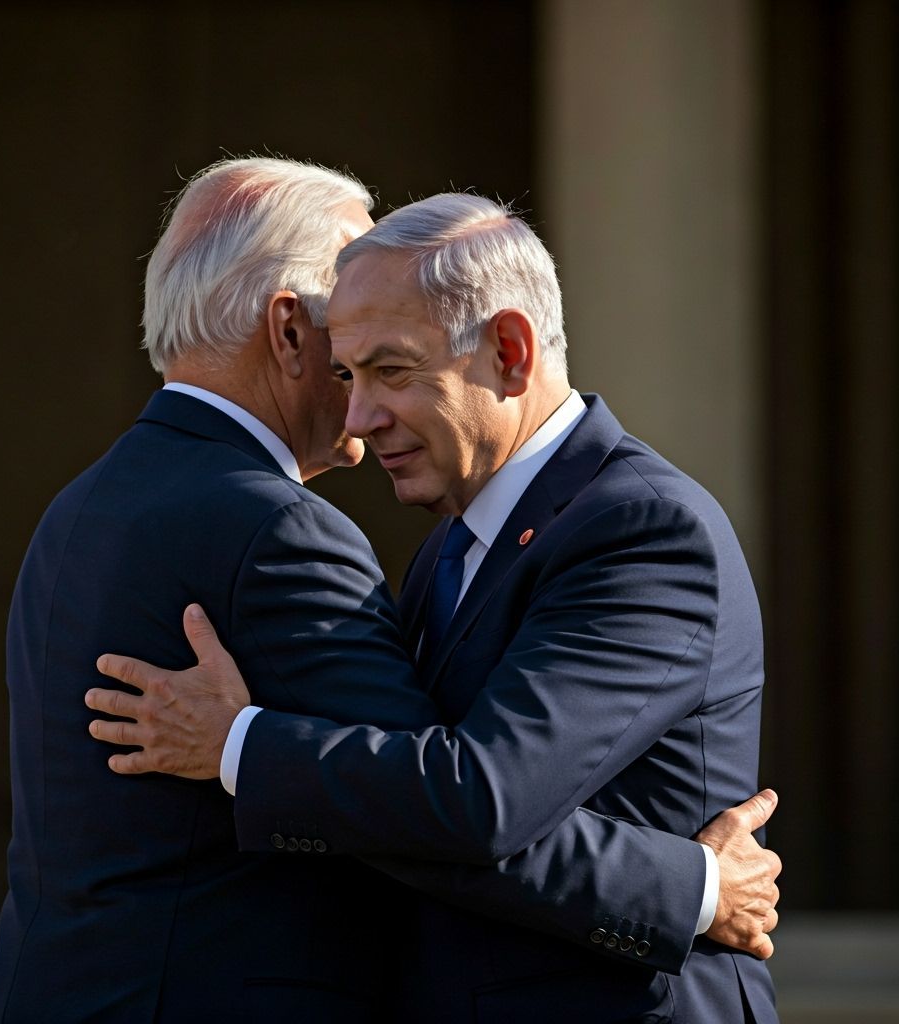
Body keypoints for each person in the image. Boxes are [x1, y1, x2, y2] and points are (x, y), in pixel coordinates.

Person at [87, 192, 781, 1021]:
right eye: (346, 375)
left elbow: (482, 799)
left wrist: (238, 743)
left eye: (392, 371)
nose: (359, 418)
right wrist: (694, 889)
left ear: (510, 353)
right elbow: (425, 818)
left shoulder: (644, 530)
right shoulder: (451, 544)